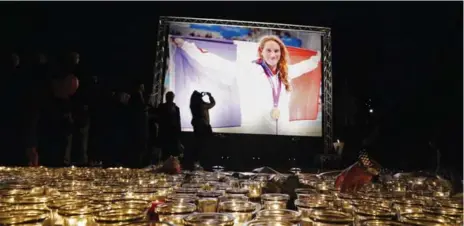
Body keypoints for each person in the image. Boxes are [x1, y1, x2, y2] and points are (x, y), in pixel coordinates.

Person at [171, 35, 321, 135]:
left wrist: (318, 58)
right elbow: (217, 63)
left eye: (276, 51)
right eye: (268, 50)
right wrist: (186, 45)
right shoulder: (249, 69)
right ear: (261, 51)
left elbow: (304, 67)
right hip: (256, 131)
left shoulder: (284, 73)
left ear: (281, 53)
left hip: (281, 131)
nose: (273, 54)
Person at [189, 90, 215, 170]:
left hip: (197, 128)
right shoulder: (202, 105)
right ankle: (205, 165)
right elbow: (212, 104)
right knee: (206, 147)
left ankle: (197, 163)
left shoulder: (193, 105)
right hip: (204, 127)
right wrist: (210, 96)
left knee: (198, 146)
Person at [156, 91, 182, 161]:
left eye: (171, 97)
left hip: (173, 132)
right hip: (165, 132)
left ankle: (172, 166)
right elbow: (159, 118)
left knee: (173, 151)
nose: (170, 98)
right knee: (165, 151)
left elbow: (178, 121)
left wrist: (178, 132)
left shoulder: (176, 108)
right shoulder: (161, 106)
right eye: (169, 97)